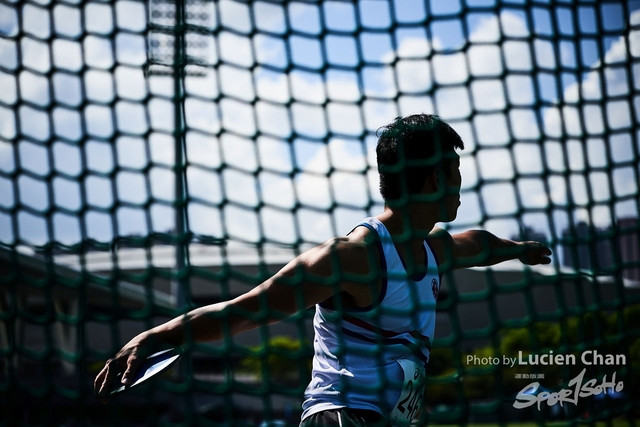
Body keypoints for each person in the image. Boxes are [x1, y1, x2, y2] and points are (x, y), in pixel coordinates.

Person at [94, 114, 551, 426]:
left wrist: (521, 248)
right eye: (454, 170)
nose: (460, 183)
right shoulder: (353, 257)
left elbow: (479, 244)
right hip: (339, 417)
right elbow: (246, 309)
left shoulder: (432, 250)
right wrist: (155, 337)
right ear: (433, 178)